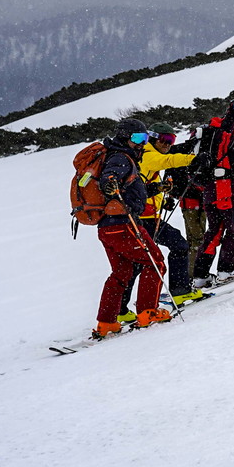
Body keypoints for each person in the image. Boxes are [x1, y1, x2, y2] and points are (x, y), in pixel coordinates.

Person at [92, 118, 172, 339]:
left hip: (107, 227)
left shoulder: (118, 156)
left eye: (145, 139)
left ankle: (106, 323)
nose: (142, 143)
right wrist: (110, 182)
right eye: (138, 138)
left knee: (122, 272)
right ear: (125, 137)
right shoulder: (120, 157)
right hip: (123, 223)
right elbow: (111, 177)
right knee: (154, 262)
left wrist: (155, 188)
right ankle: (148, 313)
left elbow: (130, 187)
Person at [115, 122, 202, 322]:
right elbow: (168, 161)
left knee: (137, 263)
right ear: (153, 138)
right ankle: (179, 291)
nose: (168, 144)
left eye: (172, 140)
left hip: (146, 216)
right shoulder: (147, 152)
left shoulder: (144, 155)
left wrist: (162, 199)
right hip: (143, 219)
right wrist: (194, 159)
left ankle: (120, 310)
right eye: (164, 139)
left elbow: (146, 184)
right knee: (177, 246)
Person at [189, 100, 234, 288]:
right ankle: (226, 271)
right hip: (224, 189)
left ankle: (200, 276)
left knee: (215, 231)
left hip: (210, 189)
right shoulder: (224, 132)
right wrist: (232, 112)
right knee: (232, 230)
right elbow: (227, 131)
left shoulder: (218, 135)